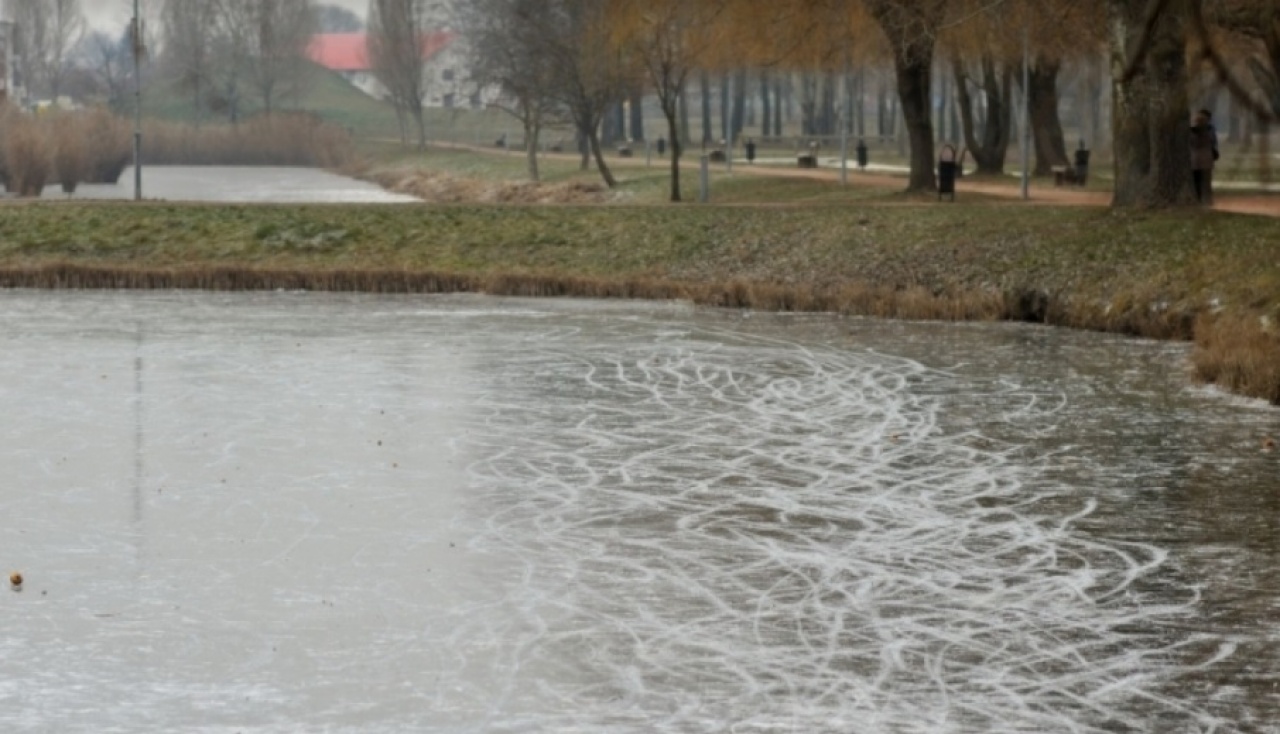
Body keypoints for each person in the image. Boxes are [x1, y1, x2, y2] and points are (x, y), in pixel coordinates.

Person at [1190, 109, 1217, 205]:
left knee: (1196, 181)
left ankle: (1198, 199)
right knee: (1206, 182)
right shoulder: (1210, 131)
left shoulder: (1191, 132)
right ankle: (1208, 200)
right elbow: (1213, 142)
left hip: (1194, 160)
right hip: (1207, 159)